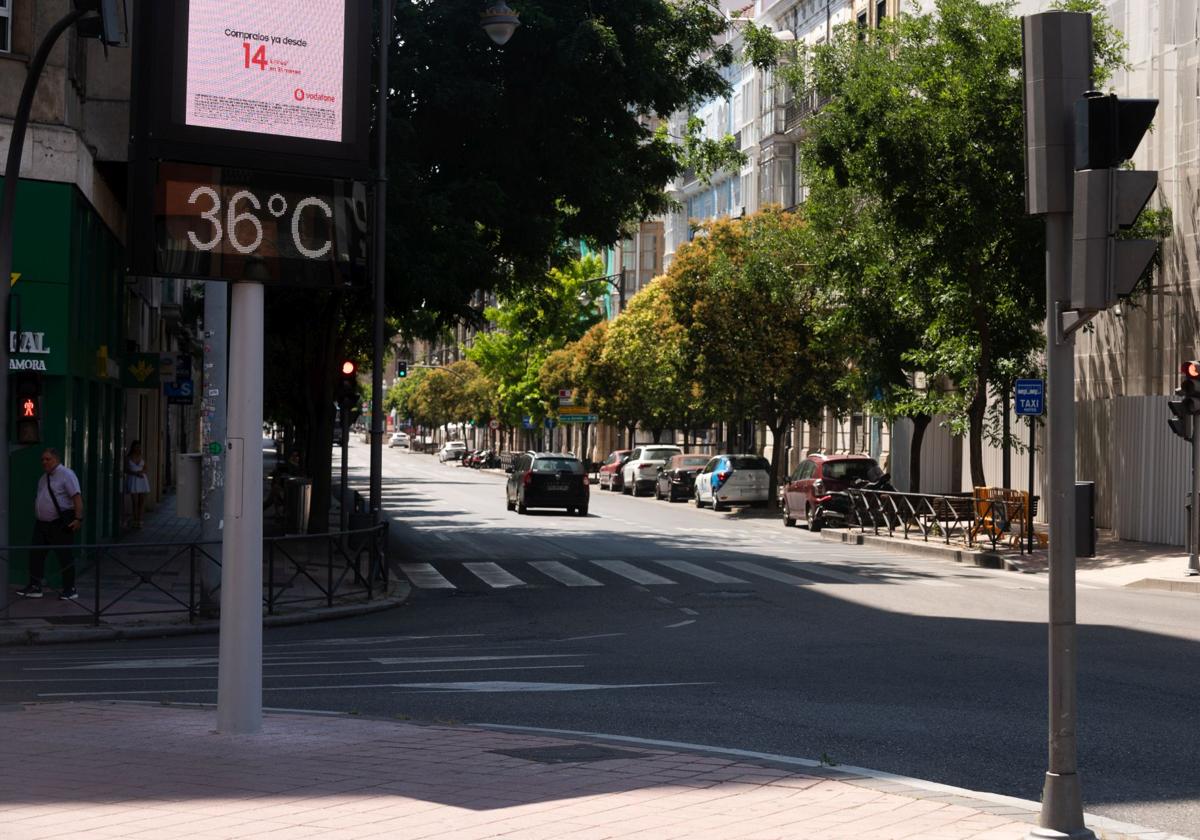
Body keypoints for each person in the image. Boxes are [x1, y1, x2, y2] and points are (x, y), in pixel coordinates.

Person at [17, 448, 84, 600]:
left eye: (48, 459)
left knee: (64, 556)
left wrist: (78, 518)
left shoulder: (67, 474)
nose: (44, 462)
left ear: (56, 459)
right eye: (42, 459)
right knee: (36, 554)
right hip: (42, 524)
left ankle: (70, 589)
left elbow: (77, 497)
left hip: (60, 522)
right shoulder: (43, 478)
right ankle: (35, 586)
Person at [124, 441, 150, 529]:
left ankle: (140, 519)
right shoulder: (128, 458)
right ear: (133, 447)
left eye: (139, 446)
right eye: (136, 447)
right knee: (135, 501)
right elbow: (126, 470)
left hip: (142, 480)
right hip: (133, 479)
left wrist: (142, 472)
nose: (137, 448)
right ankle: (135, 519)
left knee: (141, 501)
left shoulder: (141, 456)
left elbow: (146, 468)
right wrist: (135, 473)